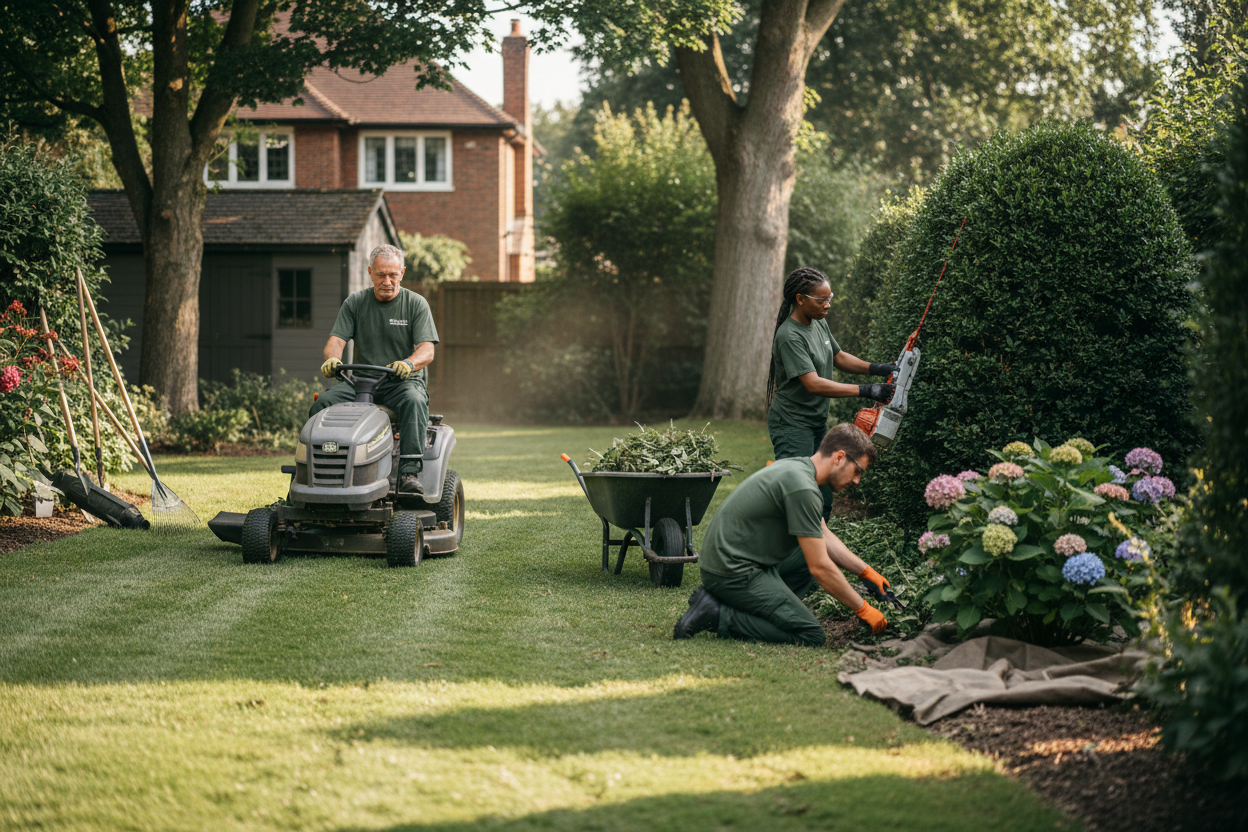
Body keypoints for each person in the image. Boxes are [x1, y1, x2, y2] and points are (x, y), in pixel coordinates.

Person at [673, 423, 891, 644]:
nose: (857, 481)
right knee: (811, 635)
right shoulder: (803, 488)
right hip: (732, 571)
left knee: (807, 557)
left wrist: (866, 572)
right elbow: (821, 568)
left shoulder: (798, 468)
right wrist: (862, 608)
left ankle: (766, 610)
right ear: (839, 458)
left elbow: (822, 535)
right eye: (858, 471)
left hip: (733, 560)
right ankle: (716, 613)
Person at [767, 267, 896, 517]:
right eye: (821, 300)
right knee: (800, 494)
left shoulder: (819, 323)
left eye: (830, 298)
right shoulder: (789, 336)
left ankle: (818, 550)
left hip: (816, 423)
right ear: (800, 299)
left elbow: (838, 356)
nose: (827, 305)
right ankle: (788, 549)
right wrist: (867, 391)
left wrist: (878, 369)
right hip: (792, 424)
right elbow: (814, 384)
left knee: (824, 491)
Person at [311, 244, 439, 496]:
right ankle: (320, 470)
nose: (387, 281)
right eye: (381, 275)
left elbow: (427, 350)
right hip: (359, 384)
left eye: (393, 274)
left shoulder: (416, 304)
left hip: (401, 383)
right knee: (322, 403)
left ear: (402, 273)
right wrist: (332, 359)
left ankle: (409, 473)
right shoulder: (355, 303)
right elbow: (336, 342)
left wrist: (408, 363)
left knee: (414, 400)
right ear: (370, 273)